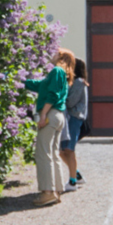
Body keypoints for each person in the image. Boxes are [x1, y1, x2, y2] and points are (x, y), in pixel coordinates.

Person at [24, 49, 72, 207]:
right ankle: (56, 192)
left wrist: (43, 114)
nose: (51, 53)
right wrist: (20, 81)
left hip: (51, 115)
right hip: (57, 116)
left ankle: (47, 193)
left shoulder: (57, 70)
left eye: (55, 52)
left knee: (43, 154)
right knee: (52, 154)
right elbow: (41, 86)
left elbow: (53, 95)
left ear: (61, 57)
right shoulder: (58, 73)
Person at [61, 57, 88, 192]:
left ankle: (72, 182)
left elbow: (70, 102)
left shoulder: (78, 82)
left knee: (68, 150)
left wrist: (60, 97)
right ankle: (76, 174)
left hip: (74, 118)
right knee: (61, 150)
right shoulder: (74, 82)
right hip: (70, 118)